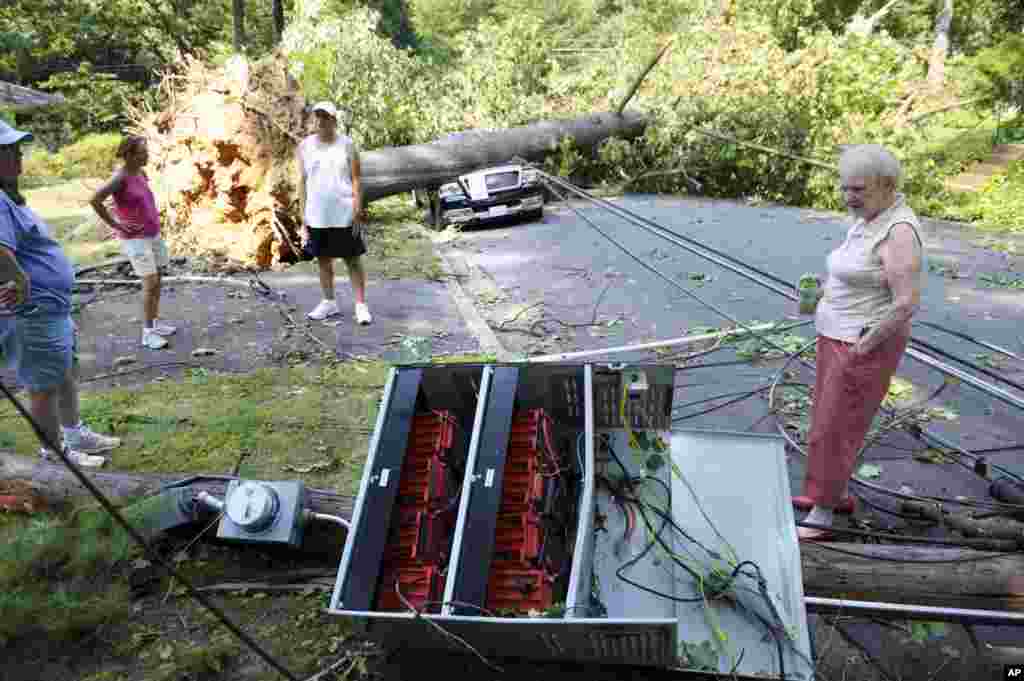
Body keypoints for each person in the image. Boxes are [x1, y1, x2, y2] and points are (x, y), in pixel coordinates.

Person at [796, 144, 926, 541]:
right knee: (824, 421)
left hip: (860, 342)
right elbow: (859, 273)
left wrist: (863, 348)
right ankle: (831, 494)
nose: (849, 198)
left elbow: (906, 304)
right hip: (836, 332)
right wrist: (822, 291)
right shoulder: (869, 218)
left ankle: (823, 515)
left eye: (859, 190)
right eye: (845, 189)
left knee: (837, 427)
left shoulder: (899, 231)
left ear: (887, 186)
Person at [0, 119, 121, 467]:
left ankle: (74, 433)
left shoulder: (11, 197)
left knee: (63, 372)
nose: (18, 156)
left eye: (17, 149)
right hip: (32, 312)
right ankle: (54, 455)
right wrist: (20, 280)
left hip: (50, 308)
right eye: (9, 151)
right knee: (42, 385)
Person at [90, 135, 176, 350]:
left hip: (152, 234)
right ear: (129, 155)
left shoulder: (141, 172)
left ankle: (155, 323)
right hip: (136, 240)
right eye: (142, 152)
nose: (147, 155)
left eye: (146, 151)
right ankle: (148, 333)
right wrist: (116, 224)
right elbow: (95, 199)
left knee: (158, 280)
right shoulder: (119, 178)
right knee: (149, 283)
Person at [296, 101, 372, 325]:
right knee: (323, 260)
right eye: (317, 117)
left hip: (345, 213)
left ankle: (360, 305)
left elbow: (357, 178)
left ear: (334, 120)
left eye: (325, 117)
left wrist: (357, 208)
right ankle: (329, 302)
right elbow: (302, 181)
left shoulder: (347, 145)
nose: (320, 121)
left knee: (352, 259)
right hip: (317, 214)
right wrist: (303, 218)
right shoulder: (305, 146)